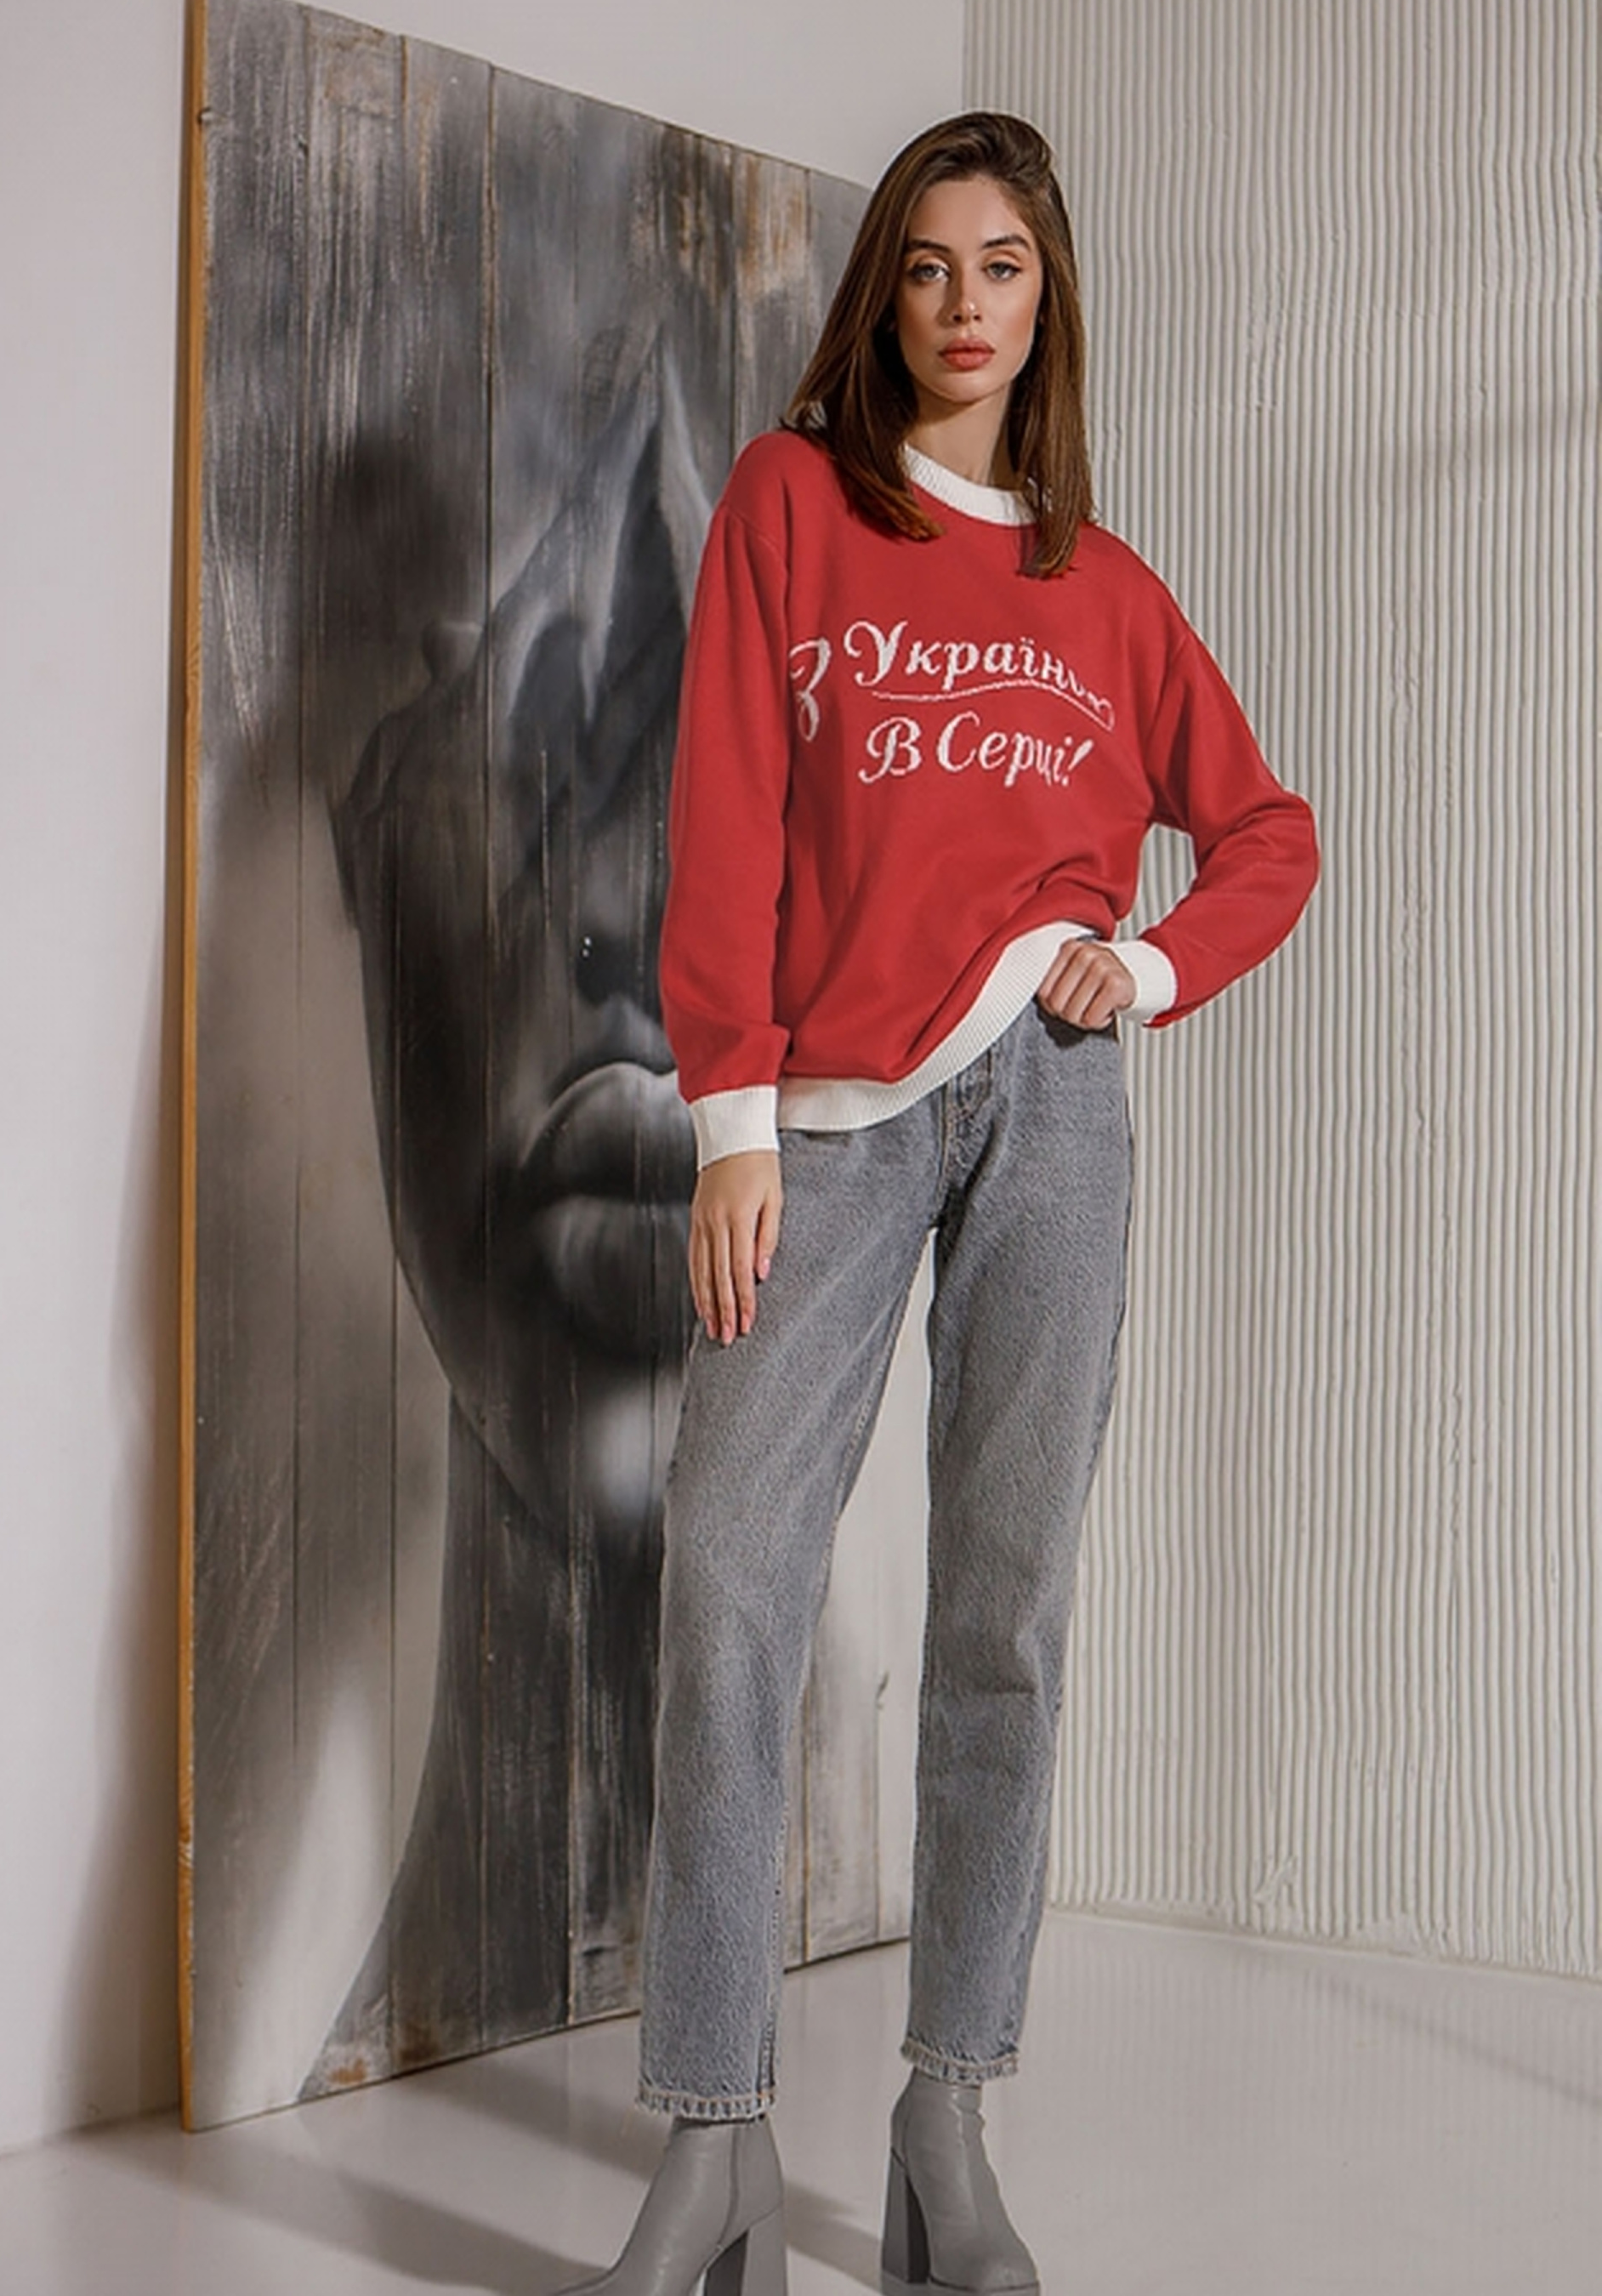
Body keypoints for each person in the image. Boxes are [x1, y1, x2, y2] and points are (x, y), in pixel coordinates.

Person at [562, 111, 1319, 2296]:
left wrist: (1146, 967)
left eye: (999, 266)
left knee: (1004, 1613)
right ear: (879, 296)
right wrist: (728, 1121)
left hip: (1053, 1114)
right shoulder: (792, 504)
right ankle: (711, 2141)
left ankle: (941, 2119)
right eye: (924, 265)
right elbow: (725, 812)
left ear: (1043, 296)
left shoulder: (1109, 593)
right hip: (824, 1119)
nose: (962, 304)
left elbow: (1264, 831)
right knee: (729, 1572)